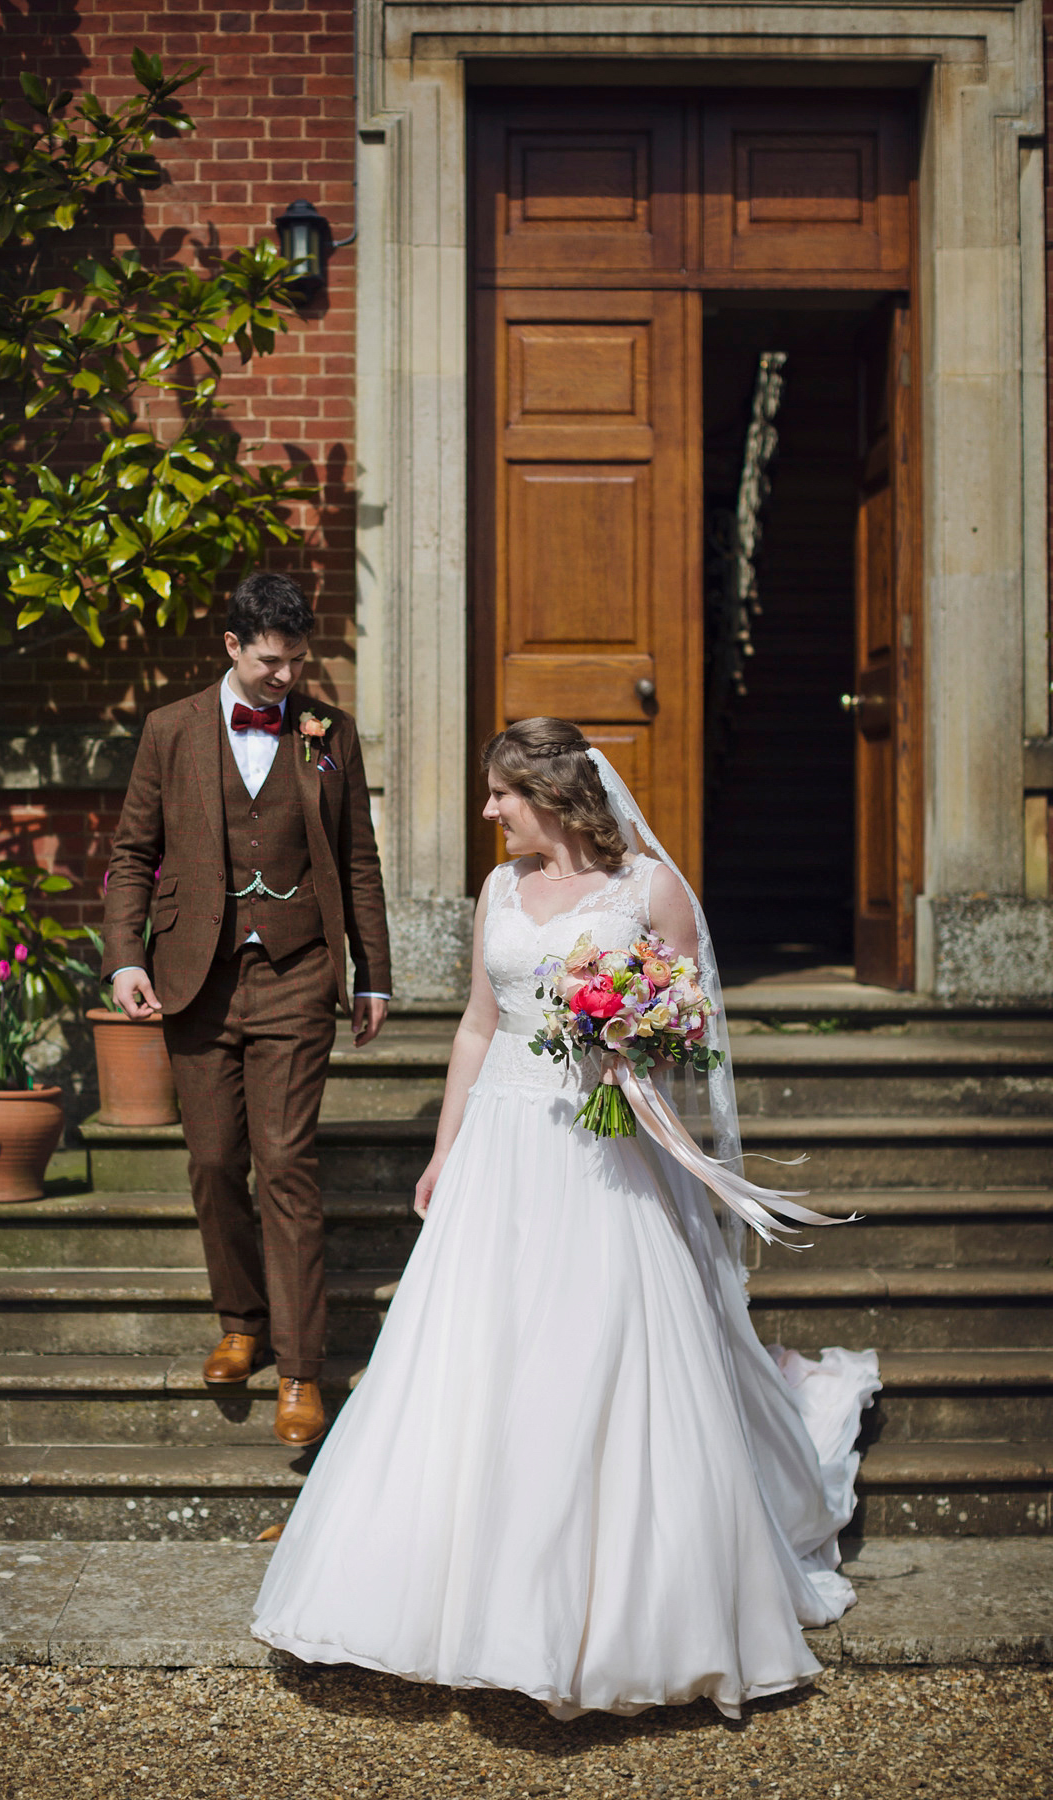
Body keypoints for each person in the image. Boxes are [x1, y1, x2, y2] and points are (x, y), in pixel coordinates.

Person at [250, 715, 878, 1720]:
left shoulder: (648, 890)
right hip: (501, 1148)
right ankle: (448, 1599)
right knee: (477, 1359)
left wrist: (635, 1040)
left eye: (502, 793)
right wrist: (445, 1147)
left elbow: (696, 1022)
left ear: (553, 798)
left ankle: (612, 1616)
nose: (488, 809)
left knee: (598, 1358)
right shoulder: (499, 890)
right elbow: (476, 1023)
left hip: (605, 1155)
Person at [101, 573, 391, 1447]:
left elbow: (359, 857)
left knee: (287, 1161)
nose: (285, 676)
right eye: (272, 660)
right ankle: (241, 1319)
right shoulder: (171, 729)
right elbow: (130, 852)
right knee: (216, 1161)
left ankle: (302, 1370)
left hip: (299, 970)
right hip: (198, 975)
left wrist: (370, 975)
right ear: (232, 647)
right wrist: (124, 958)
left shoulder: (326, 732)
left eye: (297, 661)